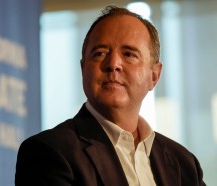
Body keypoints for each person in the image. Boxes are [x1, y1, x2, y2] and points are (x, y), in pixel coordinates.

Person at [15, 5, 205, 186]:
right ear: (83, 69)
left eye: (129, 54)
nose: (113, 64)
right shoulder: (49, 152)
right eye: (99, 53)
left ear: (154, 75)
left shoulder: (183, 164)